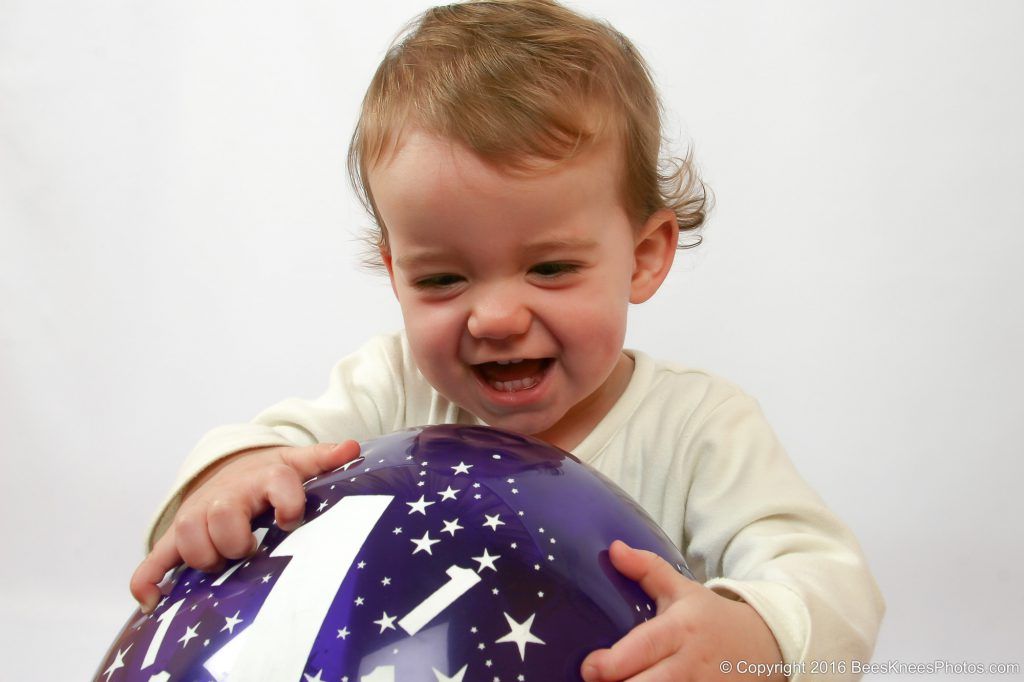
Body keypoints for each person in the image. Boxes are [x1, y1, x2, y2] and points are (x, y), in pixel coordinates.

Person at [130, 1, 884, 679]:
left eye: (549, 267)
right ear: (395, 271)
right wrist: (234, 477)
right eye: (442, 280)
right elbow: (274, 446)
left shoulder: (700, 428)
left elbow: (831, 582)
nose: (493, 318)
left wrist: (753, 636)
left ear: (646, 255)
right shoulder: (392, 387)